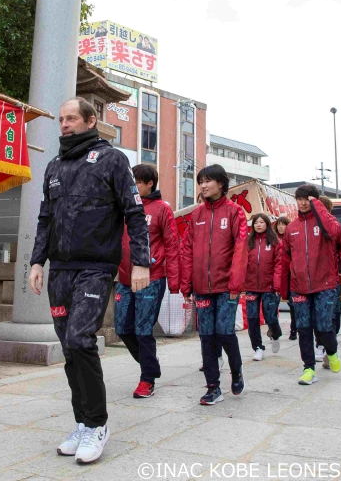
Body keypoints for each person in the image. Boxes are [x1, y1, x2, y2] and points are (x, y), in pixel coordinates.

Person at [28, 98, 150, 464]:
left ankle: (97, 424)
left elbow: (134, 212)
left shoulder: (112, 159)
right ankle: (81, 422)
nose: (64, 124)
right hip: (60, 270)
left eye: (71, 118)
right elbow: (45, 219)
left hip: (96, 268)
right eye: (61, 119)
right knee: (68, 345)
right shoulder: (54, 165)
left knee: (82, 340)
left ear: (91, 120)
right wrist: (37, 261)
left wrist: (141, 263)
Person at [180, 164, 247, 405]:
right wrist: (185, 285)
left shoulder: (235, 212)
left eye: (208, 181)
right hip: (202, 288)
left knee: (224, 332)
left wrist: (235, 284)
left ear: (221, 183)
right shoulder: (196, 215)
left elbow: (240, 250)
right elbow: (186, 250)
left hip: (227, 287)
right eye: (201, 182)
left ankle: (237, 371)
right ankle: (213, 387)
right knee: (206, 336)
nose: (204, 186)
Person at [116, 164, 180, 398]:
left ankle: (147, 379)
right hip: (124, 277)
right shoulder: (124, 207)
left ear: (149, 183)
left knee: (143, 330)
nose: (133, 186)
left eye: (137, 182)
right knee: (122, 327)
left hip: (151, 278)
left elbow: (173, 246)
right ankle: (150, 365)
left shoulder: (162, 209)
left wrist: (175, 282)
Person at [280, 184, 341, 385]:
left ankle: (331, 353)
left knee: (324, 326)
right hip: (299, 287)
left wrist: (319, 208)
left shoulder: (327, 223)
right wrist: (284, 287)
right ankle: (308, 369)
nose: (302, 202)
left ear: (315, 200)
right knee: (304, 328)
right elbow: (286, 258)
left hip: (324, 284)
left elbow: (335, 234)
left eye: (307, 198)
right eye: (299, 199)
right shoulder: (291, 228)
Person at [244, 213, 282, 361]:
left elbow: (278, 264)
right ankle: (258, 347)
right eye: (256, 222)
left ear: (267, 224)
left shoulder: (274, 241)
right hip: (251, 286)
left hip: (269, 287)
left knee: (270, 316)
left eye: (261, 222)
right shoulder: (248, 241)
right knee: (252, 318)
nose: (258, 225)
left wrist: (276, 284)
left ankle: (275, 334)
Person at [317, 196, 341, 370]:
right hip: (314, 281)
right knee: (318, 316)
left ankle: (330, 348)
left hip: (333, 280)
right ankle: (320, 346)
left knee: (332, 316)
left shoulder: (335, 226)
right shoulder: (307, 227)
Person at [274, 215, 297, 341]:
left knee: (293, 304)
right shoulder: (273, 240)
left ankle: (294, 329)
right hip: (277, 276)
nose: (281, 227)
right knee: (273, 305)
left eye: (283, 224)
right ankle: (274, 329)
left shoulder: (292, 239)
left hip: (290, 276)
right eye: (279, 224)